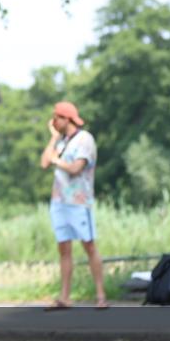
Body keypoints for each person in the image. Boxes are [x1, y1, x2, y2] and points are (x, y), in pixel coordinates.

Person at [39, 100, 108, 310]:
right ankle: (65, 297)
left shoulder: (85, 140)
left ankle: (101, 296)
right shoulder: (60, 142)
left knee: (89, 245)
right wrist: (53, 138)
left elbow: (76, 168)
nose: (53, 121)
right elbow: (44, 163)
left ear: (66, 118)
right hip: (59, 201)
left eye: (56, 117)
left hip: (79, 201)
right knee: (64, 248)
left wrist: (56, 161)